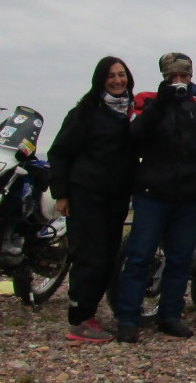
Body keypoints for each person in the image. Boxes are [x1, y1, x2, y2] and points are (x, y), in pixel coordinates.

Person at [114, 53, 196, 344]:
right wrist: (160, 103)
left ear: (191, 76)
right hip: (152, 192)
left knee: (180, 259)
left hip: (189, 196)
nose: (178, 82)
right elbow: (134, 136)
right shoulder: (148, 104)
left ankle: (170, 316)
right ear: (163, 77)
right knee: (139, 257)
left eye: (183, 76)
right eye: (171, 77)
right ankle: (128, 318)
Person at [49, 56, 137, 345]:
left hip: (115, 197)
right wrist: (61, 194)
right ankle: (78, 320)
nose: (117, 80)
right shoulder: (85, 113)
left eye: (121, 75)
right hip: (86, 194)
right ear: (100, 80)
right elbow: (60, 152)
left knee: (107, 257)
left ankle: (89, 315)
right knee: (89, 257)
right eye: (110, 76)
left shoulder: (129, 113)